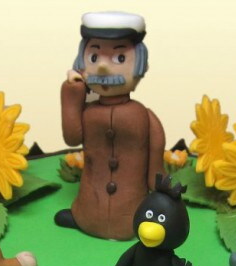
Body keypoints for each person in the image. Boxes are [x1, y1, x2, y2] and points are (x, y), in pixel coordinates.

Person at [55, 11, 166, 240]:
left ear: (142, 65)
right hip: (90, 204)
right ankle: (83, 218)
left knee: (135, 216)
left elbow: (155, 163)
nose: (103, 68)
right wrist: (72, 91)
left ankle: (136, 222)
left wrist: (163, 194)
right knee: (87, 209)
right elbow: (72, 137)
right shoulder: (88, 112)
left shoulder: (144, 117)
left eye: (120, 58)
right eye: (94, 57)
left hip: (132, 212)